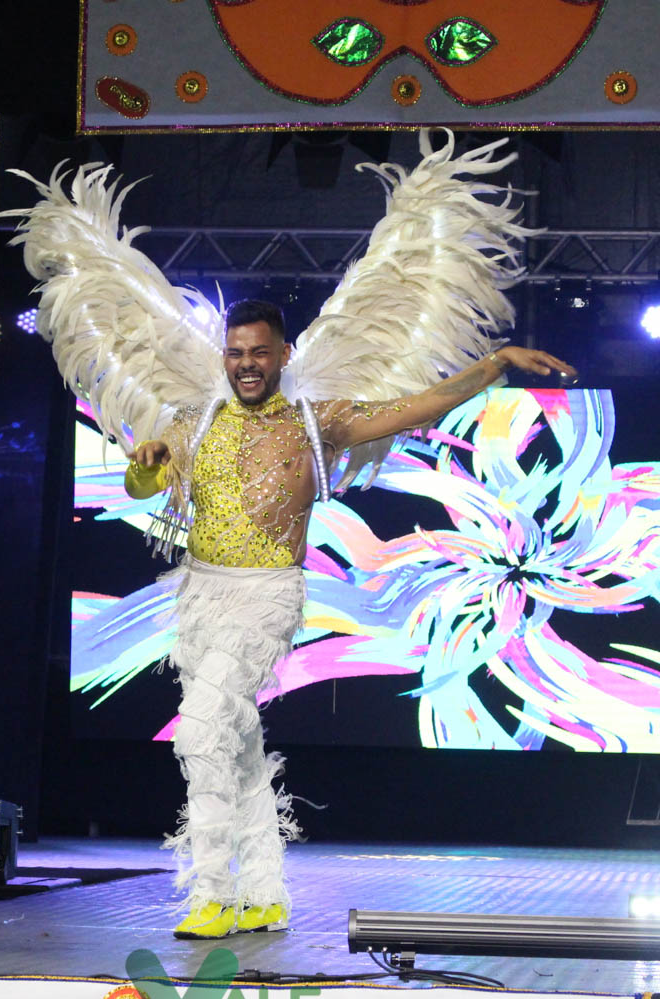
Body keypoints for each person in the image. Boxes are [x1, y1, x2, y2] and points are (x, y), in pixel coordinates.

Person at [124, 298, 574, 938]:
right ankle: (265, 893)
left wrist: (496, 363)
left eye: (259, 353)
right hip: (199, 594)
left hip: (267, 593)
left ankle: (212, 894)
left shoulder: (318, 421)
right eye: (236, 353)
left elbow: (420, 406)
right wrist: (144, 464)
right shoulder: (195, 422)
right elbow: (142, 484)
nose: (247, 364)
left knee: (199, 729)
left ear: (283, 355)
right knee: (235, 739)